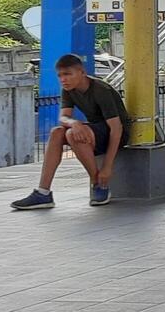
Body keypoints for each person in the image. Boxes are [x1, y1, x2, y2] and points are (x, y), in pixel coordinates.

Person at [14, 54, 121, 209]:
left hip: (115, 133)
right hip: (95, 129)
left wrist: (107, 167)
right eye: (60, 75)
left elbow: (117, 128)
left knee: (72, 134)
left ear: (82, 73)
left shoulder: (100, 89)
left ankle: (98, 183)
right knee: (57, 132)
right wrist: (74, 122)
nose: (63, 79)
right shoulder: (68, 89)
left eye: (68, 74)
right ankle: (43, 192)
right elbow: (63, 117)